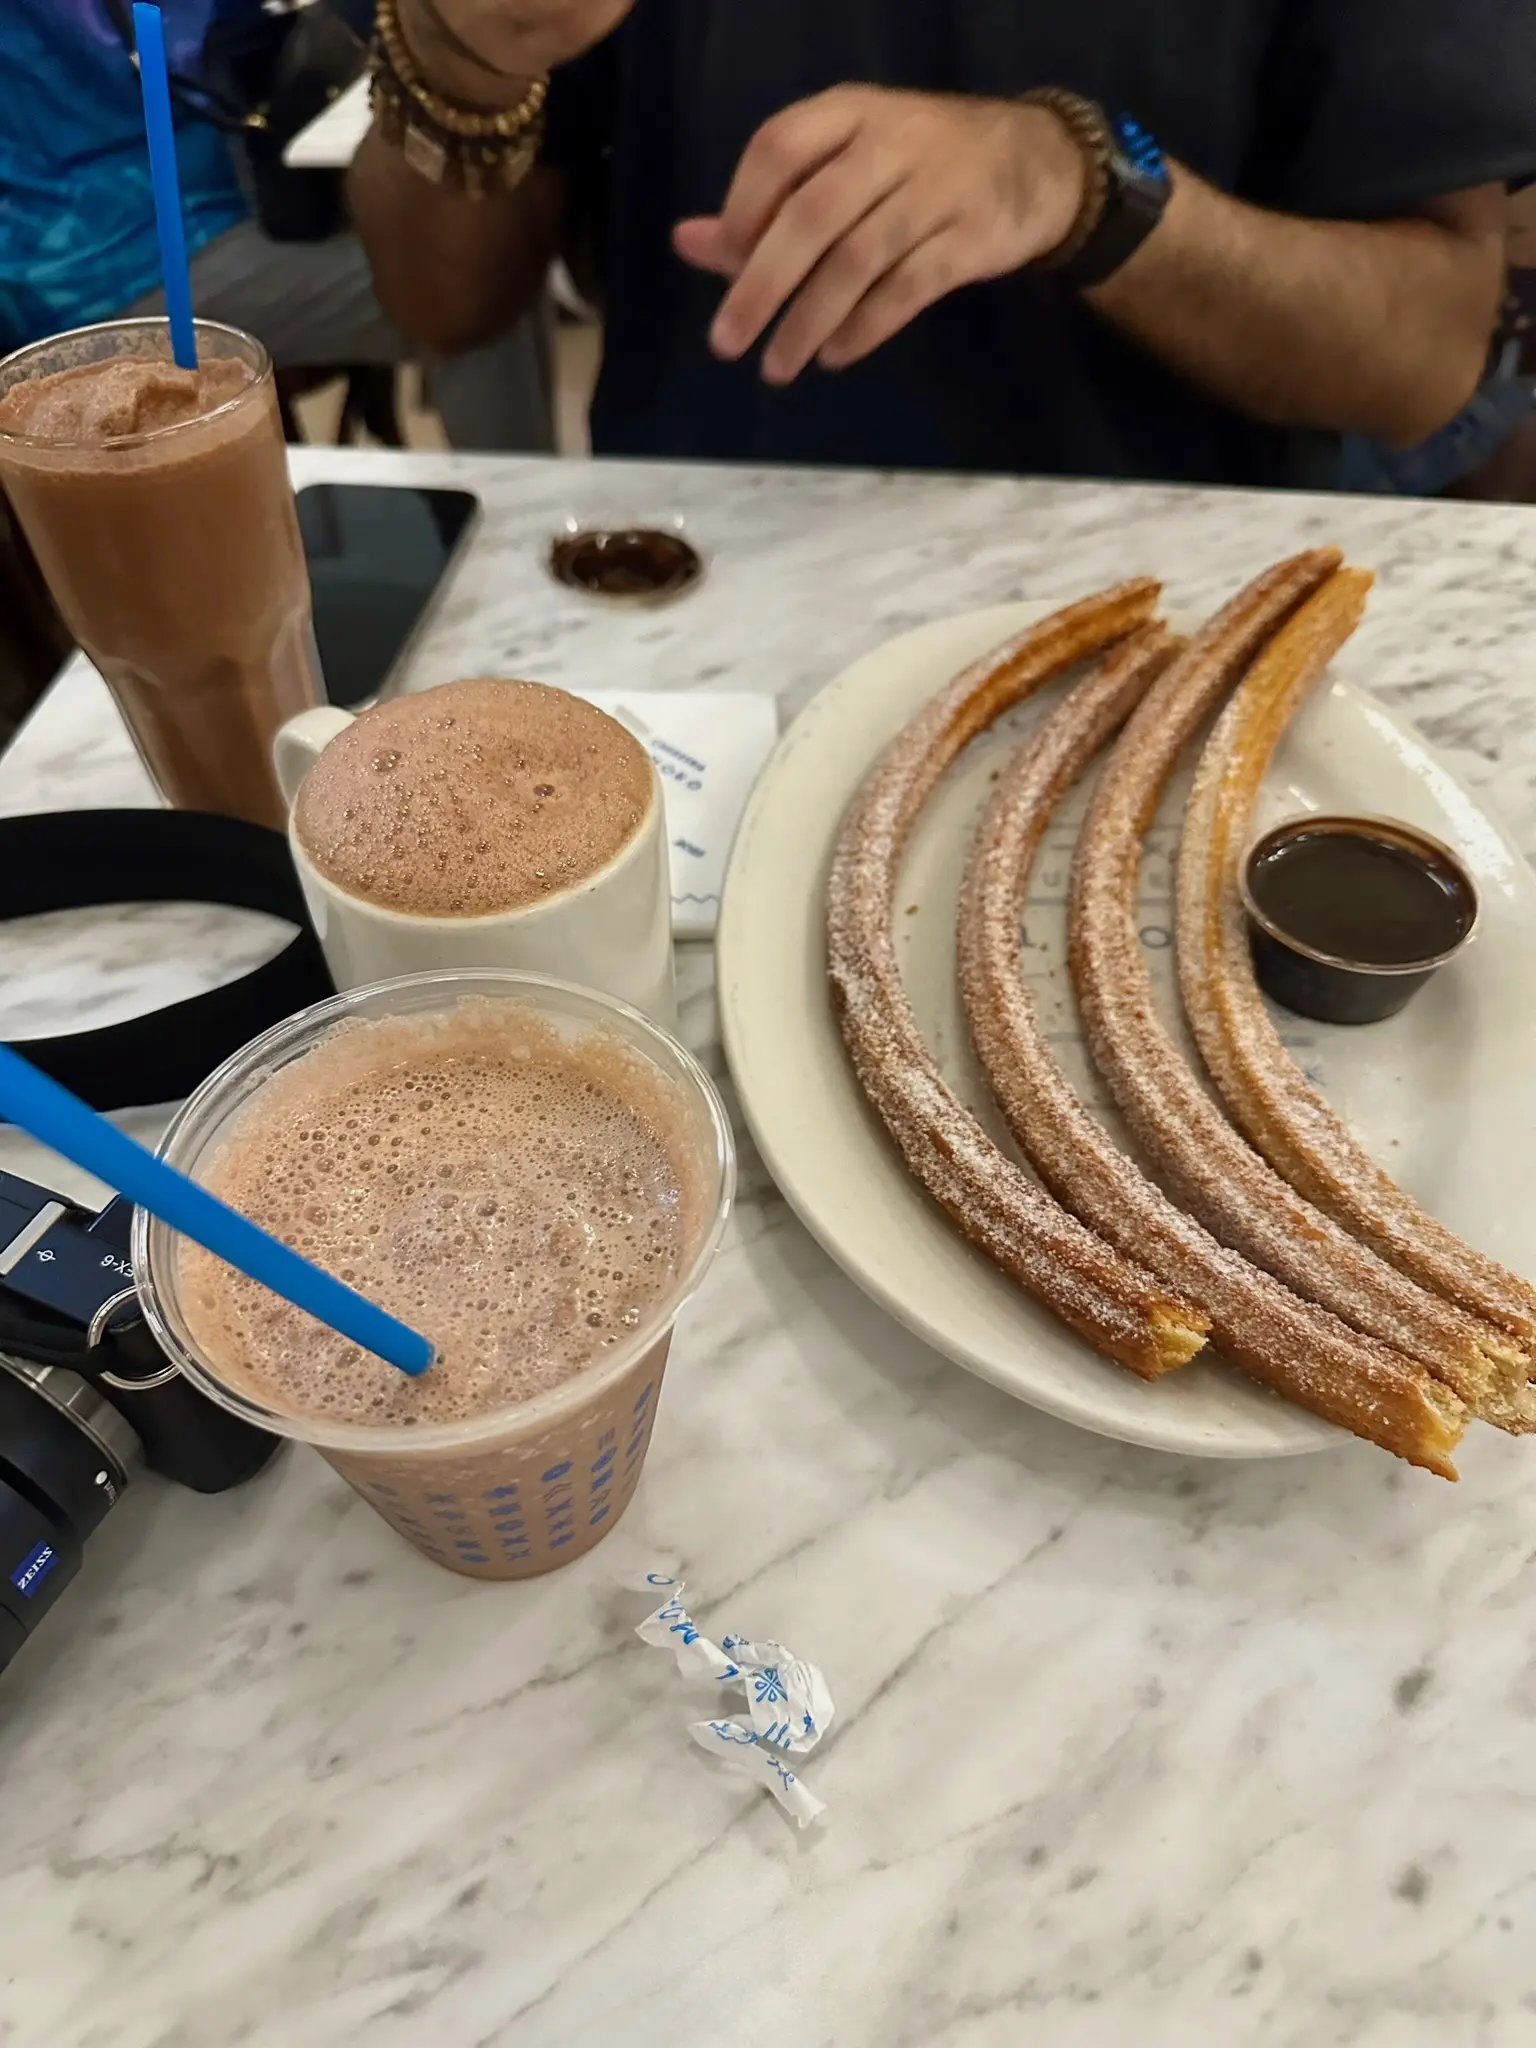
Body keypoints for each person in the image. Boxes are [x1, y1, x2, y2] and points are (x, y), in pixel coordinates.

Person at [352, 0, 1536, 488]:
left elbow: (1424, 358)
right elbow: (441, 303)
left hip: (1156, 620)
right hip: (690, 602)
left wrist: (1086, 184)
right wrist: (460, 59)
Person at [0, 0, 551, 452]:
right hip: (104, 261)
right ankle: (524, 515)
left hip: (219, 204)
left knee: (478, 256)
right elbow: (183, 52)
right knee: (478, 281)